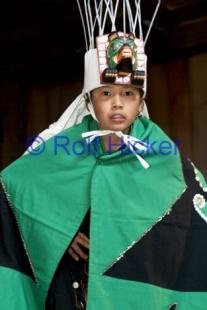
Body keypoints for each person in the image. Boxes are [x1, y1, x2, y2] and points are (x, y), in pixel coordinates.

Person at [1, 1, 207, 309]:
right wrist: (57, 230)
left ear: (140, 101)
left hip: (138, 286)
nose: (117, 104)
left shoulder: (163, 155)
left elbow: (194, 216)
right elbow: (14, 186)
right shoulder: (61, 145)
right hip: (74, 288)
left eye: (128, 94)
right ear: (89, 99)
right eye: (106, 94)